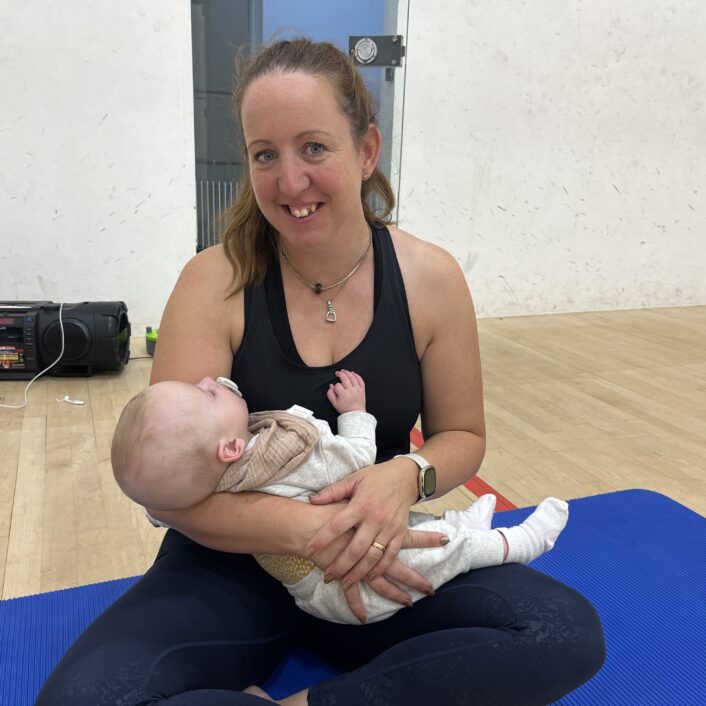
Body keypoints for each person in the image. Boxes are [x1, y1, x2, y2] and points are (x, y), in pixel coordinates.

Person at [37, 38, 604, 705]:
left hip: (381, 554)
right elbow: (167, 492)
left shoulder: (430, 278)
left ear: (366, 151)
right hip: (237, 562)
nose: (289, 181)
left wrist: (405, 475)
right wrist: (307, 531)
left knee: (561, 631)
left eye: (313, 147)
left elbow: (462, 438)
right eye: (264, 155)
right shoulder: (213, 281)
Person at [110, 372, 570, 625]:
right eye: (207, 392)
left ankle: (461, 524)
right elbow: (355, 463)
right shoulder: (282, 455)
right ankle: (517, 543)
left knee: (556, 626)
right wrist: (355, 414)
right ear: (230, 448)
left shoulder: (207, 478)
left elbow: (161, 508)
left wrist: (409, 475)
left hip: (311, 585)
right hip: (351, 585)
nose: (211, 379)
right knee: (443, 550)